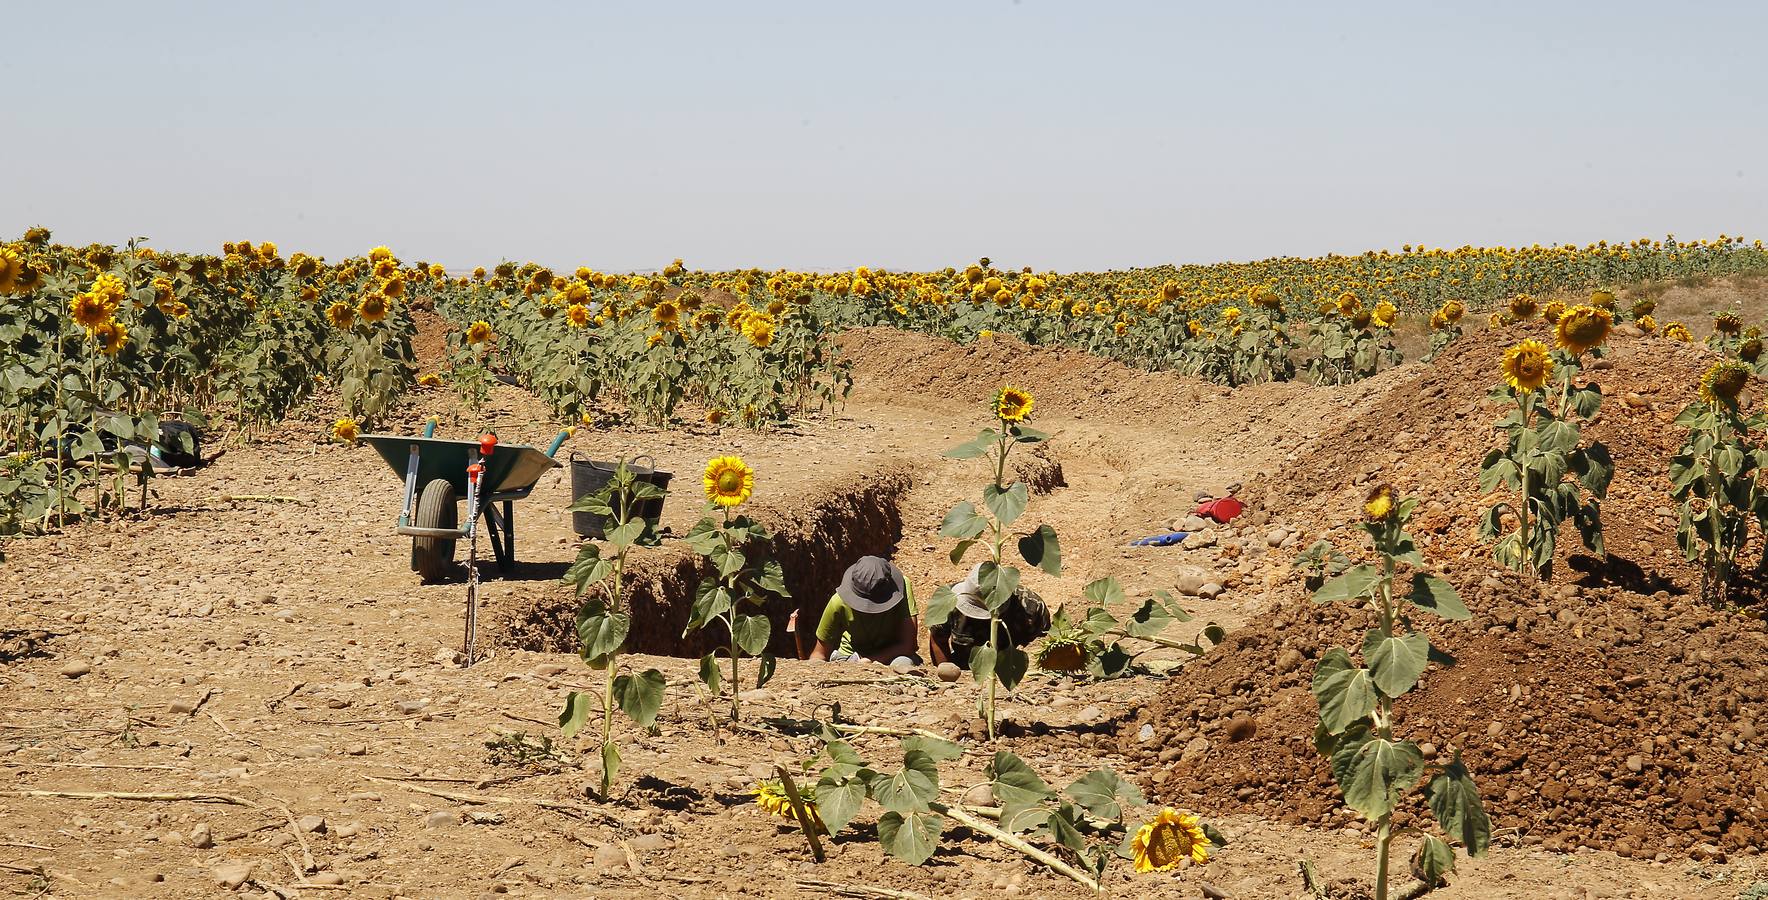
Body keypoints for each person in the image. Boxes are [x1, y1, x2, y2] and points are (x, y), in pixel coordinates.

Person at [928, 563, 1051, 669]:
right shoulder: (947, 601)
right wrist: (946, 673)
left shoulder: (1031, 607)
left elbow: (1044, 643)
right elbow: (938, 639)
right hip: (965, 666)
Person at [811, 556, 921, 667]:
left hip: (893, 655)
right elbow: (820, 653)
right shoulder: (838, 601)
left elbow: (908, 645)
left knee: (902, 663)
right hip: (850, 656)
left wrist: (871, 660)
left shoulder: (902, 588)